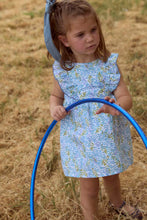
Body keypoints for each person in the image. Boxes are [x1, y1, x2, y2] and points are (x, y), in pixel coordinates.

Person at [44, 0, 143, 219]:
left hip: (106, 135)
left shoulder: (108, 64)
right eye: (80, 34)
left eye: (93, 30)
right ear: (64, 40)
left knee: (111, 175)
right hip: (80, 137)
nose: (90, 38)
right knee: (89, 186)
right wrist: (55, 108)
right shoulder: (64, 71)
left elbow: (126, 97)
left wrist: (117, 106)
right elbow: (55, 97)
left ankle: (118, 203)